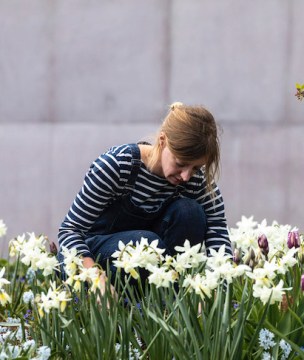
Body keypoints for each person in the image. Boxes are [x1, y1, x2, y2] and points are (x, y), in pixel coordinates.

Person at [57, 102, 231, 288]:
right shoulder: (118, 166)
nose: (186, 176)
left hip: (153, 262)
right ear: (162, 141)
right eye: (180, 163)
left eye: (196, 168)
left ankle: (172, 300)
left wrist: (216, 292)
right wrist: (96, 280)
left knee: (189, 212)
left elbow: (217, 230)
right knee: (147, 244)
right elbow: (70, 231)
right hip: (96, 255)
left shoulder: (196, 180)